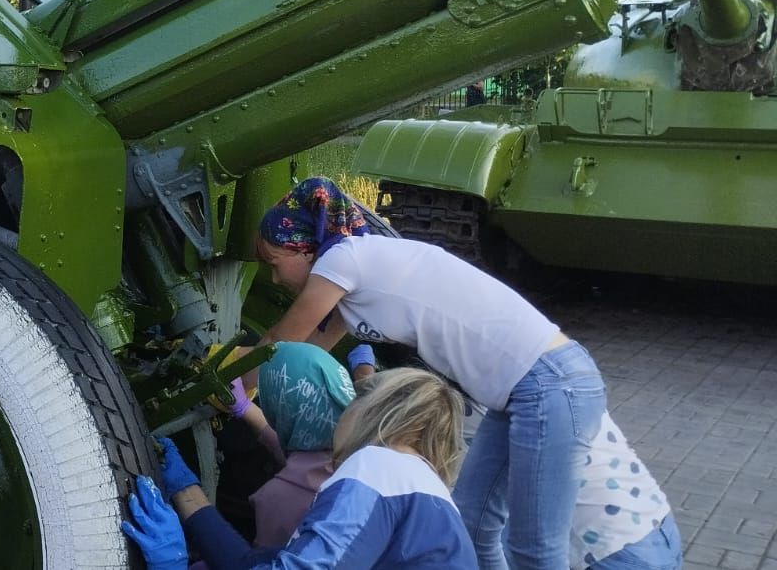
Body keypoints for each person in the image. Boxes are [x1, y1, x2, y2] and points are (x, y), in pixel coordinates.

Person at [246, 176, 607, 570]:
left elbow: (281, 344)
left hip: (549, 382)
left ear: (303, 247)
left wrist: (230, 380)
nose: (276, 279)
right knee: (475, 523)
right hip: (521, 391)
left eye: (275, 265)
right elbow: (301, 354)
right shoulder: (352, 281)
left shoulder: (342, 260)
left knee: (536, 548)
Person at [125, 367, 475, 569]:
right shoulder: (432, 498)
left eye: (352, 400)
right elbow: (258, 562)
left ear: (372, 410)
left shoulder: (378, 465)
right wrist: (188, 494)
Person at [457, 400, 682, 570]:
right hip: (656, 524)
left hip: (609, 551)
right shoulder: (552, 368)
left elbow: (479, 526)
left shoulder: (485, 398)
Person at [222, 342, 358, 548]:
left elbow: (257, 561)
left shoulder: (280, 497)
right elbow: (302, 454)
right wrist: (244, 407)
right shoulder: (359, 440)